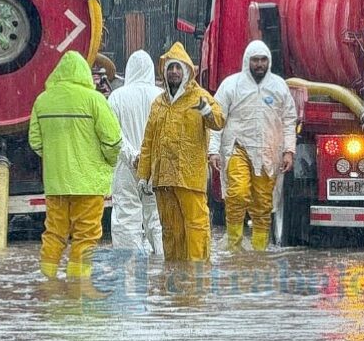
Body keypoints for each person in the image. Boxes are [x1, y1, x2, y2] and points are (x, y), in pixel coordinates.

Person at [29, 50, 122, 281]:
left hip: (56, 184)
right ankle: (77, 285)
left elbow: (35, 142)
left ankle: (47, 282)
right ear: (84, 73)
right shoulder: (94, 100)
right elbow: (113, 140)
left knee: (54, 233)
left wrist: (54, 159)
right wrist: (106, 163)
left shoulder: (43, 100)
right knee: (85, 236)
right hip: (89, 184)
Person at [137, 42, 225, 262]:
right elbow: (148, 142)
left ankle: (197, 275)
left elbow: (219, 121)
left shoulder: (199, 96)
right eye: (170, 68)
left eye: (178, 68)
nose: (174, 72)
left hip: (189, 178)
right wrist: (143, 175)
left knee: (196, 227)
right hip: (163, 179)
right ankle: (174, 277)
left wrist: (206, 110)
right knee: (170, 230)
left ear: (186, 71)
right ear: (164, 71)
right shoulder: (158, 103)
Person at [208, 40, 297, 251]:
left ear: (269, 61)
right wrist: (213, 150)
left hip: (268, 153)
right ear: (247, 60)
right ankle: (234, 246)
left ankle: (259, 253)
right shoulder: (231, 85)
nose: (259, 64)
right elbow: (216, 119)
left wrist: (289, 151)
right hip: (237, 149)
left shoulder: (279, 87)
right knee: (237, 194)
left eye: (263, 60)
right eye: (255, 60)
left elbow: (289, 119)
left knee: (263, 205)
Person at [108, 50, 164, 256]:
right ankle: (163, 267)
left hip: (126, 169)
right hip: (155, 168)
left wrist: (133, 157)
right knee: (157, 218)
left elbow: (113, 136)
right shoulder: (161, 97)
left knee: (126, 219)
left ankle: (130, 273)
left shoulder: (116, 97)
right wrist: (150, 160)